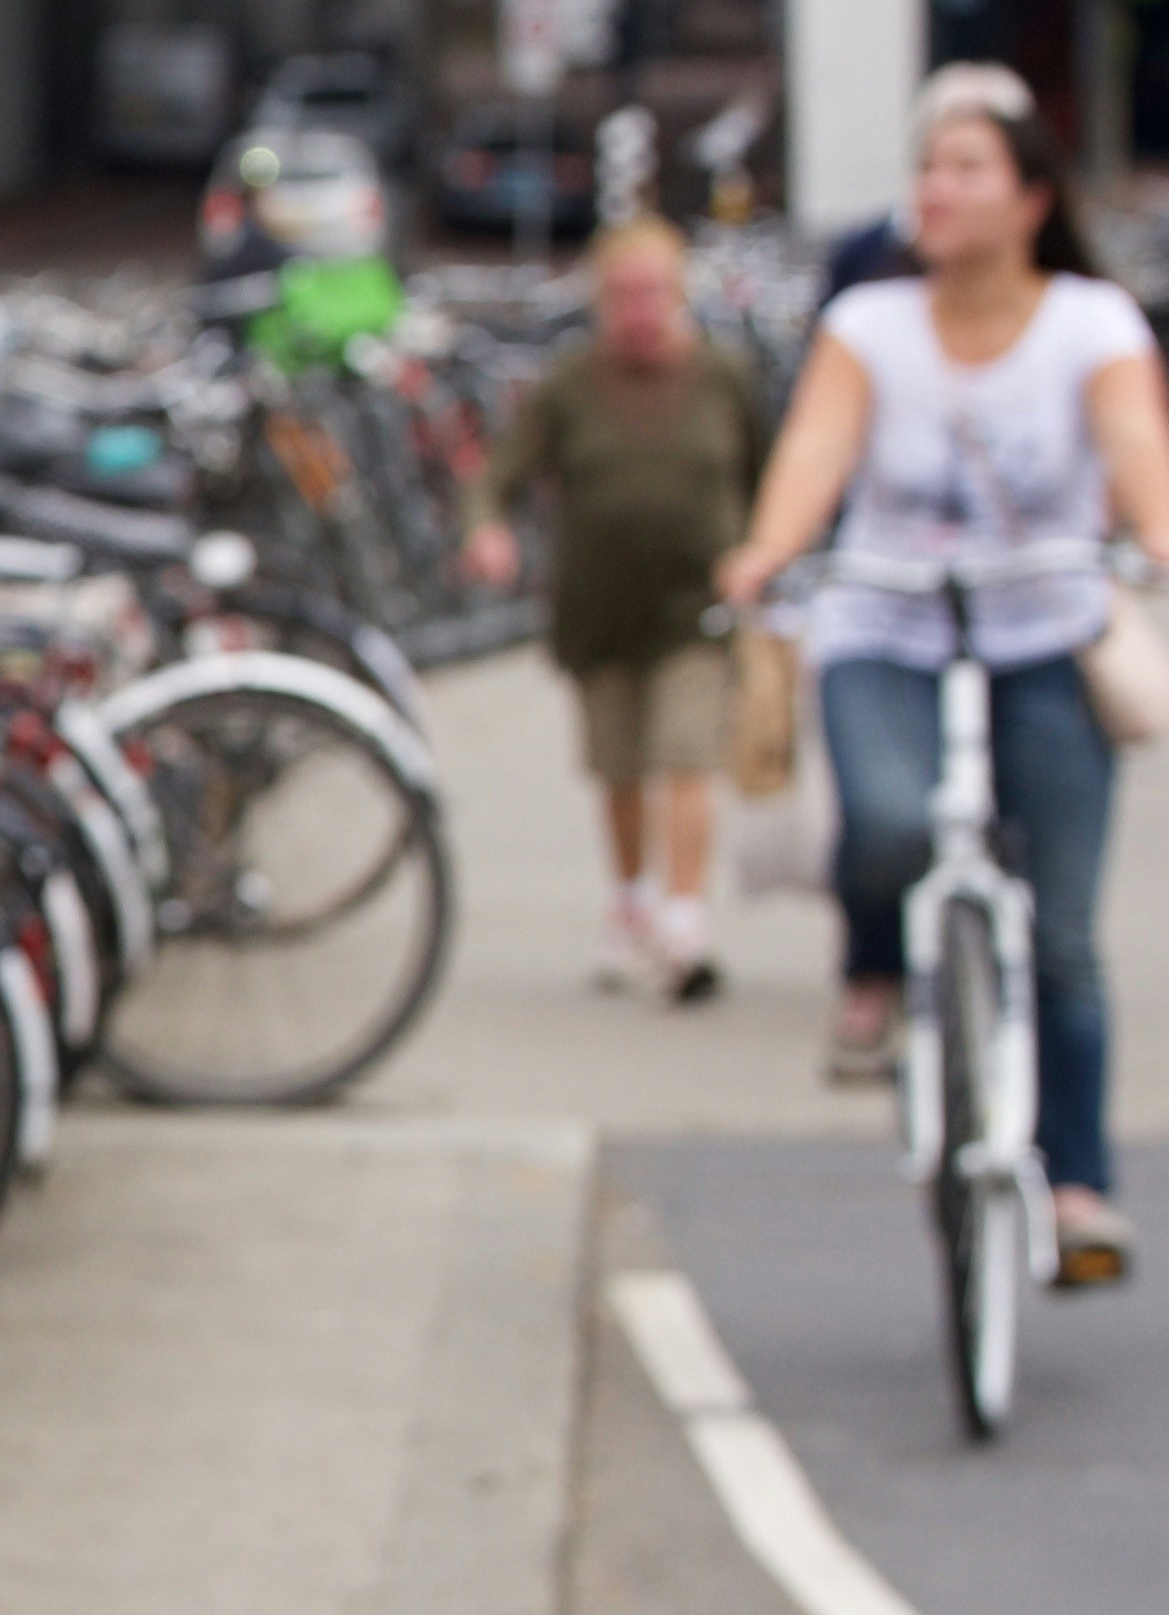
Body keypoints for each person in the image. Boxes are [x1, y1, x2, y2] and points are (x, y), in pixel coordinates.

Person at [719, 63, 1169, 1286]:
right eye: (925, 167)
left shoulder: (1089, 325)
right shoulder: (870, 324)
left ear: (1029, 196)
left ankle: (1075, 1183)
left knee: (1063, 934)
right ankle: (880, 970)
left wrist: (1156, 531)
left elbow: (1136, 452)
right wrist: (767, 549)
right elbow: (816, 446)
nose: (935, 189)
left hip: (1044, 628)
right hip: (888, 623)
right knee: (881, 825)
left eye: (965, 168)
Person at [467, 219, 775, 999]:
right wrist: (488, 529)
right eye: (623, 295)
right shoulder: (570, 385)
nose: (639, 310)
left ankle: (683, 916)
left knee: (685, 757)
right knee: (620, 768)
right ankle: (631, 899)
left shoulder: (722, 377)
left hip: (694, 606)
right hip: (599, 607)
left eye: (654, 293)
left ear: (680, 296)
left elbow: (771, 474)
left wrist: (763, 552)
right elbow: (497, 474)